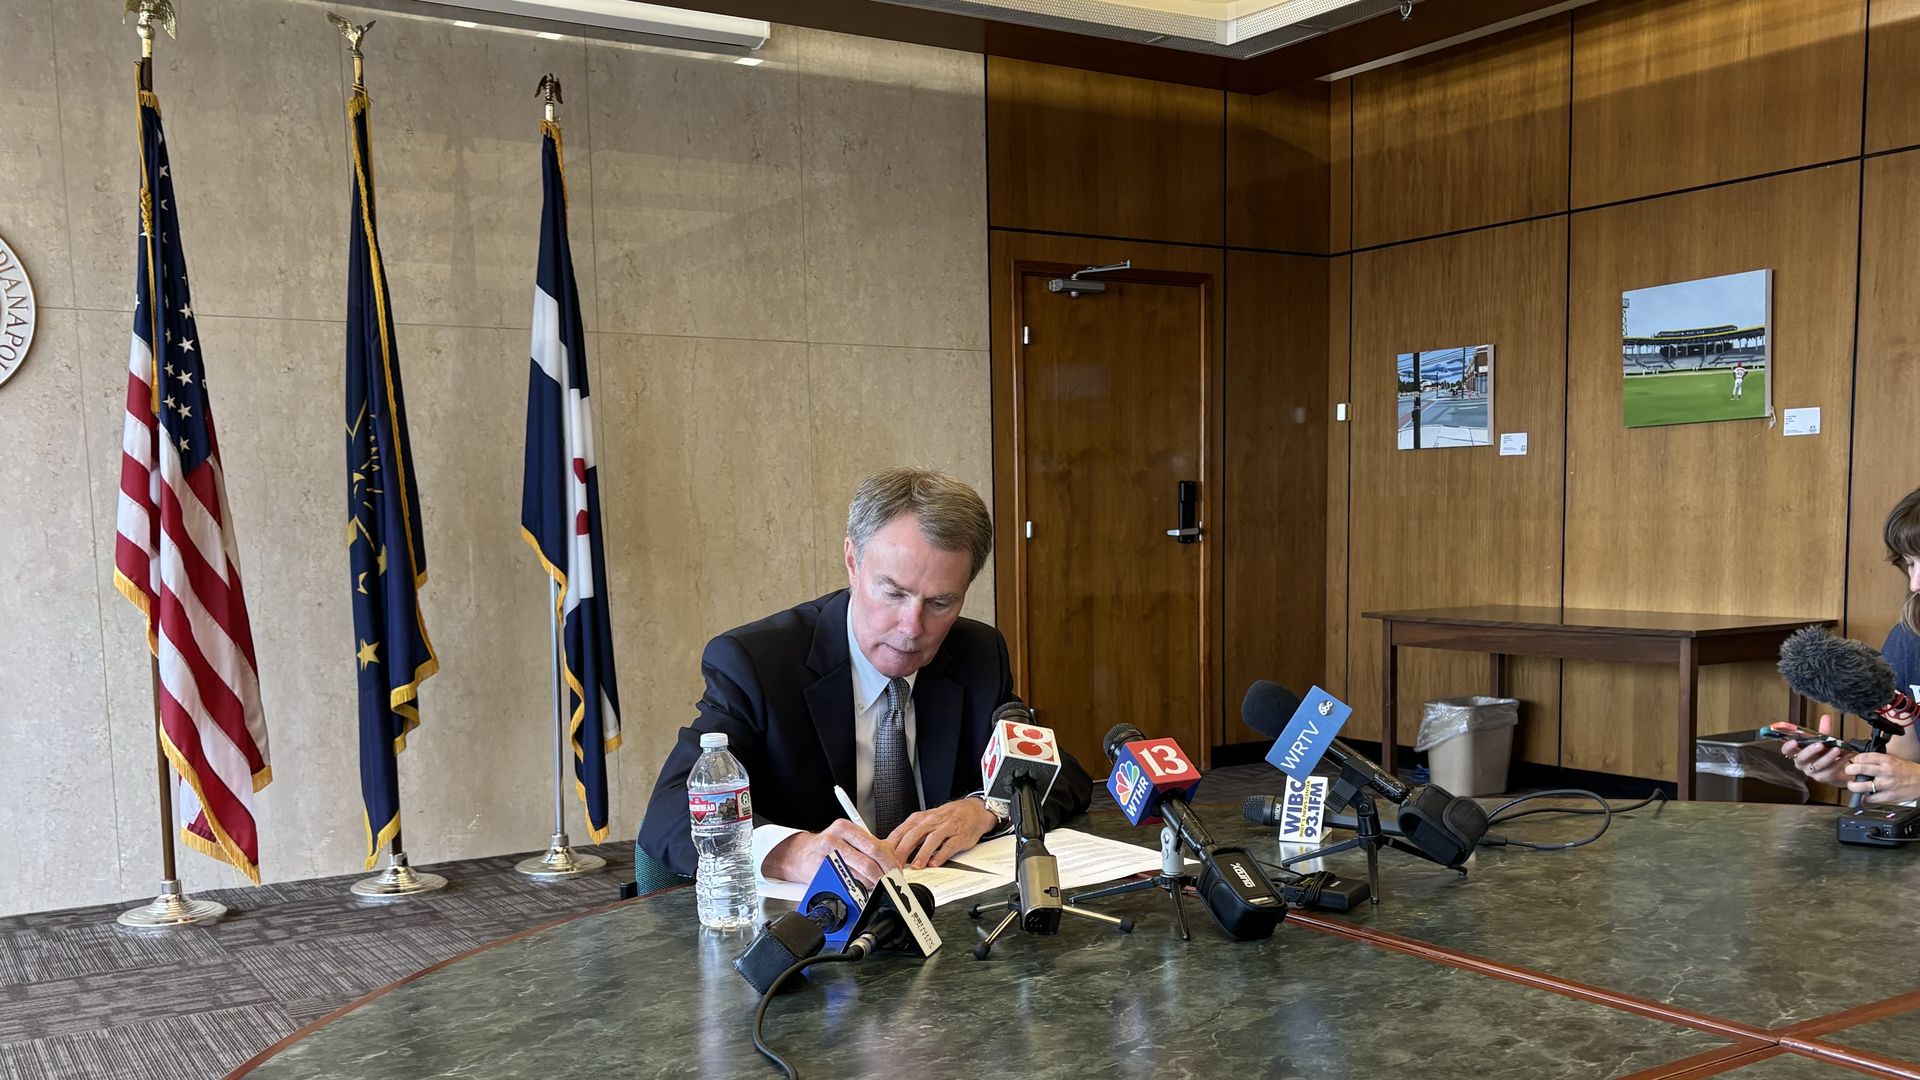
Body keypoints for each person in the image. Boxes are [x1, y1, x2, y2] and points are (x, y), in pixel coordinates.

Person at [639, 467, 1092, 885]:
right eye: (893, 592)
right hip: (809, 937)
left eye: (940, 603)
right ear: (853, 563)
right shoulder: (756, 664)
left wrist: (986, 809)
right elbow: (671, 811)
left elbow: (1061, 774)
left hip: (947, 914)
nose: (913, 628)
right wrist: (793, 852)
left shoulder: (976, 653)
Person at [1780, 488, 1920, 802]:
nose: (1915, 584)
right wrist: (1848, 770)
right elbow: (1907, 753)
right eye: (1910, 564)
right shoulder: (1909, 638)